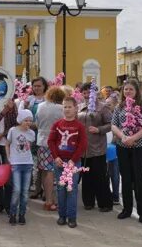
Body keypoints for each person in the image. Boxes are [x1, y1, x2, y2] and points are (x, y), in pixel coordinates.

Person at [111, 80, 142, 223]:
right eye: (126, 89)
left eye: (131, 90)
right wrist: (123, 137)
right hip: (122, 147)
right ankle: (127, 209)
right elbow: (114, 125)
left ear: (136, 92)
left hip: (139, 147)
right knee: (126, 178)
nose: (128, 92)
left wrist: (133, 138)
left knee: (139, 179)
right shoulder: (119, 106)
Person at [48, 96, 88, 228]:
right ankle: (62, 216)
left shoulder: (79, 126)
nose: (67, 109)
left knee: (71, 189)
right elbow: (51, 141)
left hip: (73, 163)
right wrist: (56, 157)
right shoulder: (57, 124)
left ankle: (72, 217)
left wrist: (73, 160)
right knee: (61, 189)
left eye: (70, 107)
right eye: (64, 107)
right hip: (59, 162)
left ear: (76, 109)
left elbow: (82, 145)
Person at [78, 82, 113, 212]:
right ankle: (88, 202)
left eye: (89, 92)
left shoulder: (103, 107)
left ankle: (105, 203)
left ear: (95, 93)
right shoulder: (79, 106)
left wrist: (98, 129)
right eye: (84, 92)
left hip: (97, 148)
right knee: (86, 177)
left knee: (100, 176)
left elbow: (111, 124)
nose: (87, 95)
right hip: (83, 149)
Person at [36, 86, 65, 211]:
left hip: (41, 140)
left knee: (44, 170)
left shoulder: (40, 106)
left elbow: (37, 123)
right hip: (55, 142)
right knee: (51, 172)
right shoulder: (61, 109)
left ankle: (47, 198)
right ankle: (50, 200)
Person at [6, 109, 36, 225]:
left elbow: (29, 147)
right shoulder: (13, 131)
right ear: (20, 120)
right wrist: (9, 158)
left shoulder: (32, 133)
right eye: (25, 120)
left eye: (30, 120)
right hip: (16, 164)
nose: (28, 123)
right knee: (17, 189)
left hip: (28, 164)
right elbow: (7, 144)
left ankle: (22, 214)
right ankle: (13, 213)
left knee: (24, 191)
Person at [23, 76, 48, 200]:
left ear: (44, 86)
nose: (37, 88)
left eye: (39, 85)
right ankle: (37, 188)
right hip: (30, 134)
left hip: (43, 134)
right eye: (35, 86)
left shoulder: (48, 99)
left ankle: (45, 190)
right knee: (35, 163)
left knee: (44, 164)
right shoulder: (30, 100)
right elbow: (24, 115)